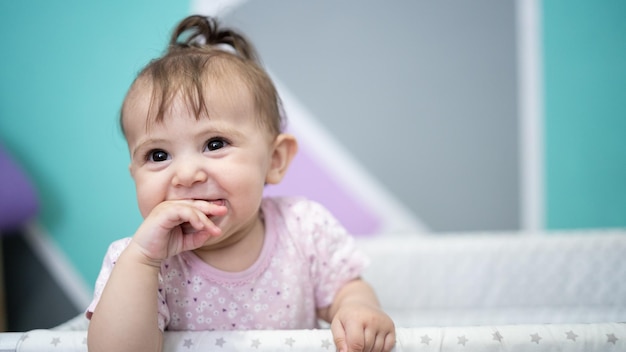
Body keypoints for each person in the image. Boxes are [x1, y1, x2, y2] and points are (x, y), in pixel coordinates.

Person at [86, 15, 395, 352]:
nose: (187, 174)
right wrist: (144, 258)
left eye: (215, 144)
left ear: (274, 161)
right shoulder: (137, 261)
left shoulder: (303, 228)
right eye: (158, 155)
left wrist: (356, 309)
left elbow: (345, 289)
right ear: (135, 174)